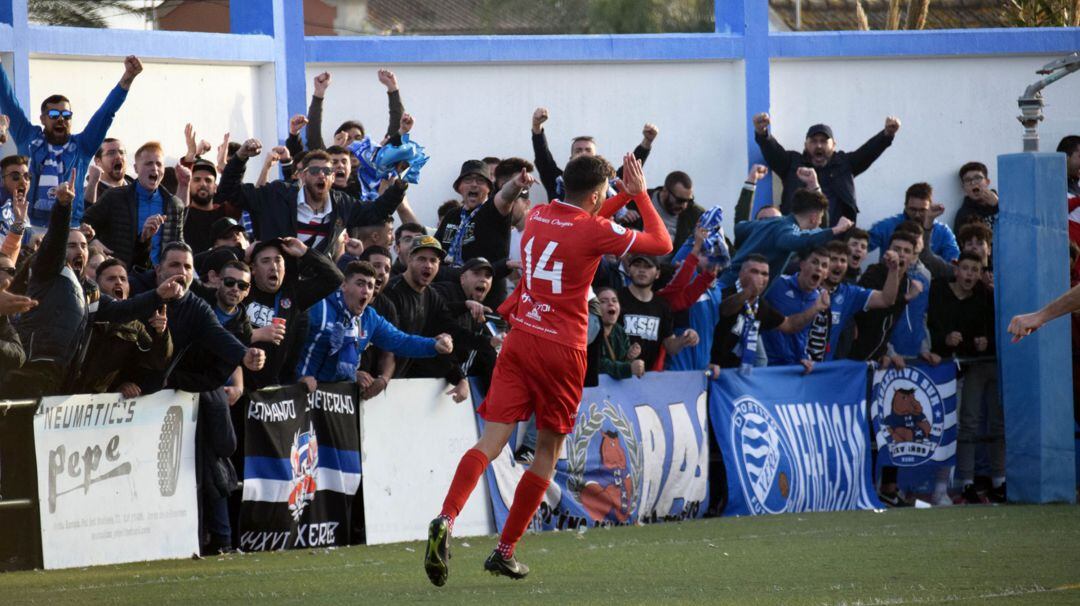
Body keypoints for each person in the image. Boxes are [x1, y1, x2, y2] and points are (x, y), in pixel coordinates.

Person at [425, 152, 671, 584]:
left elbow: (586, 218)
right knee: (547, 453)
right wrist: (641, 196)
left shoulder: (538, 215)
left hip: (521, 339)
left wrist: (616, 196)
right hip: (562, 350)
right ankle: (504, 550)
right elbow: (661, 244)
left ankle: (446, 517)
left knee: (492, 440)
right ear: (596, 196)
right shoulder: (593, 229)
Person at [9, 171, 185, 396]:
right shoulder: (48, 272)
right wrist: (63, 207)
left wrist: (158, 295)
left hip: (62, 379)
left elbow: (121, 310)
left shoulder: (90, 291)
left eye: (83, 245)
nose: (79, 250)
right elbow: (54, 241)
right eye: (71, 245)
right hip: (30, 370)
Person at [0, 56, 143, 226]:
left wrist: (127, 79)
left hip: (69, 229)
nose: (61, 119)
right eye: (54, 115)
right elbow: (8, 101)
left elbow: (106, 113)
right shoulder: (27, 137)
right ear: (43, 119)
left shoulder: (83, 146)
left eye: (66, 115)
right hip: (29, 226)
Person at [217, 142, 407, 258]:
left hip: (316, 289)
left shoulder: (342, 203)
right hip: (276, 281)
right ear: (302, 176)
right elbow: (230, 191)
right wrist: (240, 157)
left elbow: (375, 212)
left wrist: (398, 188)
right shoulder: (276, 194)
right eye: (315, 171)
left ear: (333, 178)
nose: (321, 176)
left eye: (327, 172)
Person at [297, 260, 452, 385]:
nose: (366, 291)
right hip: (298, 392)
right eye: (360, 283)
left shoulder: (369, 318)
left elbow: (401, 341)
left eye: (370, 286)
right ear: (344, 285)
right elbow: (289, 344)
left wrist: (433, 345)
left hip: (338, 400)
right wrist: (299, 378)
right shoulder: (319, 307)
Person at [927, 251, 1001, 504]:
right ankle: (924, 486)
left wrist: (983, 343)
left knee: (954, 426)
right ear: (956, 269)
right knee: (933, 427)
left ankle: (944, 486)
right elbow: (928, 325)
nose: (970, 274)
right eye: (966, 268)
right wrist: (942, 341)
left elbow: (986, 332)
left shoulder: (983, 298)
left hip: (961, 373)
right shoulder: (937, 290)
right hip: (934, 368)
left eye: (975, 270)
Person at [753, 112, 899, 225]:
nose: (819, 146)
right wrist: (762, 132)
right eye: (814, 141)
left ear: (833, 145)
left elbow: (868, 152)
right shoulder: (792, 163)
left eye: (824, 141)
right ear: (805, 145)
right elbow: (773, 151)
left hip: (836, 242)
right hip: (797, 241)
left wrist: (887, 134)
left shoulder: (845, 164)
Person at [720, 168, 851, 290]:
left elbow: (739, 227)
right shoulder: (787, 230)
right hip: (733, 293)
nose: (821, 221)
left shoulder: (769, 223)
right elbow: (796, 241)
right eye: (821, 217)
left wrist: (814, 185)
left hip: (724, 285)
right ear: (813, 218)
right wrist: (836, 230)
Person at [242, 236, 344, 388]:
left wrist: (305, 252)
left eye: (278, 260)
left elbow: (335, 278)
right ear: (253, 269)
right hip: (238, 382)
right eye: (265, 261)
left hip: (271, 388)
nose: (273, 266)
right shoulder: (240, 287)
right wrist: (241, 254)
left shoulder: (294, 294)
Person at [82, 141, 189, 269]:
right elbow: (84, 223)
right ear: (136, 168)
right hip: (123, 275)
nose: (154, 168)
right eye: (149, 163)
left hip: (160, 277)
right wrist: (94, 242)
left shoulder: (173, 204)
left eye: (159, 164)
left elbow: (179, 243)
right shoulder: (114, 196)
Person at [75, 257, 172, 396]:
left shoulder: (136, 327)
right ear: (97, 285)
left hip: (98, 404)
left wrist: (161, 334)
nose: (118, 282)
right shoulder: (83, 313)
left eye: (123, 279)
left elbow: (155, 363)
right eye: (111, 279)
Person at [530, 106, 657, 202]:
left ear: (597, 158)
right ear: (570, 158)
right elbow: (543, 159)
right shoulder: (558, 181)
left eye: (588, 150)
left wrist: (647, 141)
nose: (584, 153)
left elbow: (630, 168)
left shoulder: (610, 183)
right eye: (578, 150)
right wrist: (537, 127)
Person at [811, 240, 901, 362]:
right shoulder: (806, 287)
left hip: (825, 370)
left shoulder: (849, 293)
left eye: (843, 260)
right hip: (794, 368)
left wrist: (893, 270)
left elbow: (887, 300)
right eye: (833, 259)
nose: (838, 265)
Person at [759, 247, 835, 371]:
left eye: (824, 265)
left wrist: (806, 358)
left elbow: (811, 338)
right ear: (802, 265)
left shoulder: (821, 301)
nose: (819, 268)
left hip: (794, 367)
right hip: (765, 365)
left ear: (826, 274)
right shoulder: (777, 283)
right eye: (815, 262)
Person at [617, 254, 698, 370]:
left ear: (657, 274)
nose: (642, 270)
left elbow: (670, 346)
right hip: (615, 377)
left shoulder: (662, 306)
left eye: (648, 266)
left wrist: (684, 339)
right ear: (629, 270)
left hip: (648, 379)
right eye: (637, 265)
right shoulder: (616, 299)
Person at [868, 182, 959, 279]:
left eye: (922, 210)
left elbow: (954, 268)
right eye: (913, 210)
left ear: (930, 208)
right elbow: (862, 246)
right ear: (905, 206)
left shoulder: (943, 232)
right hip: (888, 280)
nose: (917, 215)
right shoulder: (887, 226)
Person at [595, 285, 644, 379]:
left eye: (614, 300)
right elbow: (599, 364)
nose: (611, 304)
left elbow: (621, 362)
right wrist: (628, 368)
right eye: (603, 301)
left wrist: (629, 357)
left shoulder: (619, 331)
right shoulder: (588, 331)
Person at [184, 159, 229, 254]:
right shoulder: (182, 215)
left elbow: (235, 191)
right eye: (197, 179)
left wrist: (228, 171)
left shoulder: (225, 213)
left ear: (215, 187)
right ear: (189, 185)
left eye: (208, 180)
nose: (203, 184)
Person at [85, 138, 134, 204]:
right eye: (111, 153)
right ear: (98, 161)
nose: (118, 156)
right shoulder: (85, 196)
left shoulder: (140, 191)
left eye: (122, 152)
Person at [953, 162, 998, 232]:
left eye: (978, 178)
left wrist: (998, 205)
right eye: (968, 180)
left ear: (987, 182)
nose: (973, 183)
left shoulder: (1004, 203)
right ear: (963, 187)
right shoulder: (964, 215)